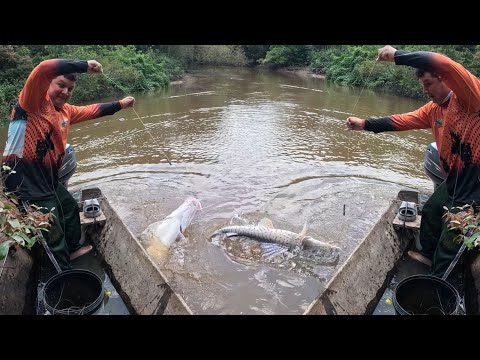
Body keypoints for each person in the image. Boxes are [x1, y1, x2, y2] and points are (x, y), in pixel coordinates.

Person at [346, 45, 480, 278]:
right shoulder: (433, 110)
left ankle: (440, 286)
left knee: (451, 241)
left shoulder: (471, 97)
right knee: (431, 210)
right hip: (454, 180)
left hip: (475, 187)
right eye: (422, 85)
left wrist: (396, 55)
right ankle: (427, 254)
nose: (425, 90)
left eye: (428, 83)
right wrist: (365, 124)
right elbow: (401, 120)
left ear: (445, 80)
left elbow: (444, 63)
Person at [2, 58, 135, 270]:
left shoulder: (65, 112)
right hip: (25, 183)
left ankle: (72, 248)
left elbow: (93, 110)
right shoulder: (31, 103)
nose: (65, 92)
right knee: (52, 232)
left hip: (48, 180)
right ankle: (62, 274)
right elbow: (44, 68)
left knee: (71, 208)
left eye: (70, 89)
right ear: (47, 84)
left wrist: (120, 104)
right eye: (61, 85)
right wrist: (84, 66)